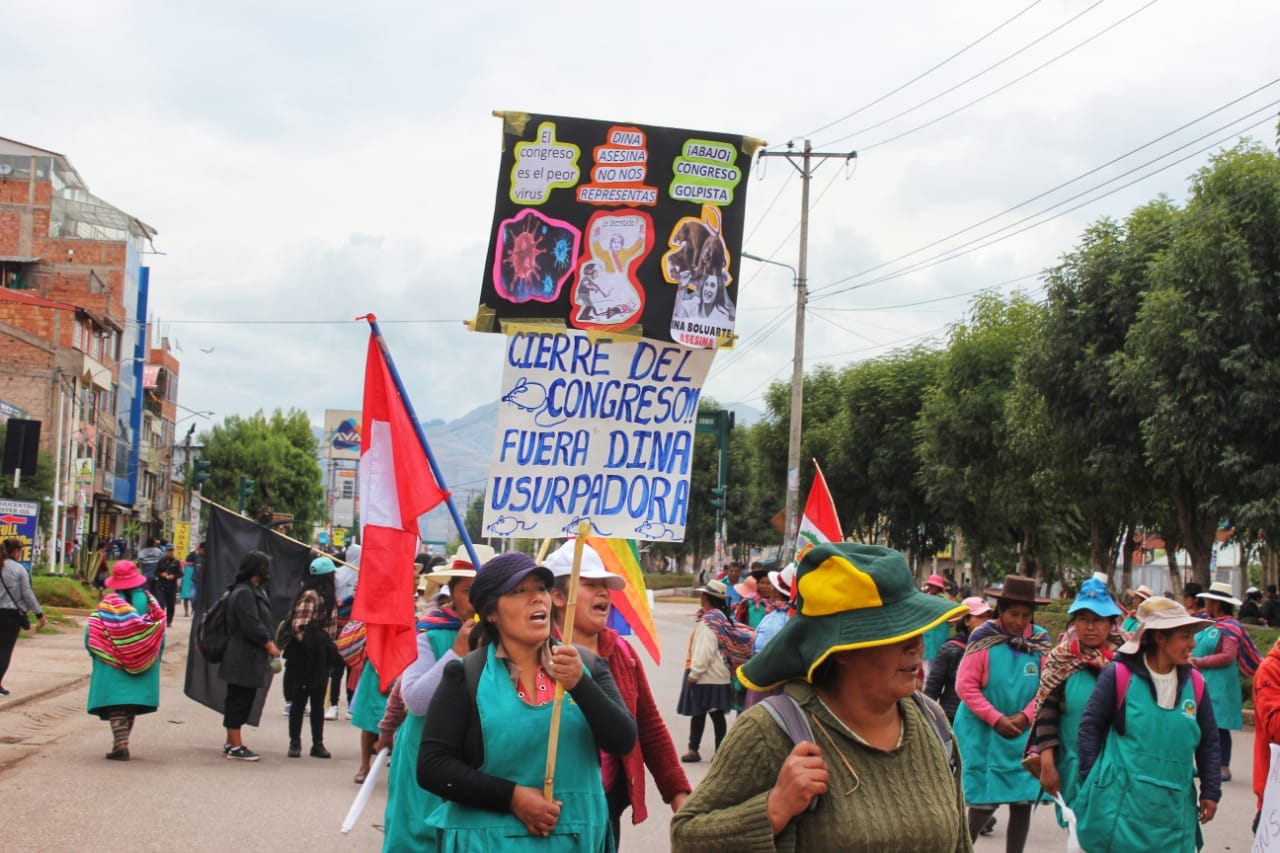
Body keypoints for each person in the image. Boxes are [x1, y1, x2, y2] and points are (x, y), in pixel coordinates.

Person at [671, 543, 970, 851]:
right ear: (840, 648)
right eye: (896, 635)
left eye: (917, 632)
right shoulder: (770, 732)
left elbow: (960, 842)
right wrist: (773, 810)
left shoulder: (932, 723)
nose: (916, 647)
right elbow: (687, 836)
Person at [418, 551, 637, 850]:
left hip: (577, 840)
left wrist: (580, 684)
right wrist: (513, 797)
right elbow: (433, 767)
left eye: (541, 589)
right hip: (487, 842)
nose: (537, 599)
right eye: (520, 591)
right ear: (492, 612)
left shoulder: (587, 667)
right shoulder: (465, 676)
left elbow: (622, 740)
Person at [545, 539, 691, 846]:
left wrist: (679, 795)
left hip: (606, 807)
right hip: (550, 808)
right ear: (557, 596)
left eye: (605, 585)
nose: (602, 593)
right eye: (589, 583)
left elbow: (648, 728)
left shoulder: (623, 653)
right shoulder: (535, 652)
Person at [1074, 597, 1220, 851]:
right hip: (1120, 807)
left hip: (1174, 810)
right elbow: (1090, 729)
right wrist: (1093, 784)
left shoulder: (1195, 685)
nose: (1192, 644)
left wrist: (1210, 790)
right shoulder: (1118, 676)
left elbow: (1208, 741)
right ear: (1160, 638)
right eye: (1185, 636)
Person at [377, 550, 483, 852]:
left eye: (483, 591)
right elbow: (415, 699)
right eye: (467, 591)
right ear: (451, 592)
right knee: (417, 835)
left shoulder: (504, 636)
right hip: (424, 748)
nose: (476, 600)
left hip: (472, 755)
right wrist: (457, 653)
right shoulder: (431, 632)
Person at [952, 574, 1051, 852]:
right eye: (1013, 614)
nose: (1019, 622)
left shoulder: (1040, 640)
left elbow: (1047, 686)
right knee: (983, 803)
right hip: (983, 731)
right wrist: (996, 718)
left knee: (1022, 801)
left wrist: (1025, 716)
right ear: (1001, 611)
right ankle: (961, 847)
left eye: (1025, 615)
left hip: (1022, 732)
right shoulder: (984, 638)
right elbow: (965, 685)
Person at [1026, 578, 1122, 829]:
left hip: (1117, 763)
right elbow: (1045, 714)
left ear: (1112, 623)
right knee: (1077, 829)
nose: (1090, 627)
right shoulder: (1061, 659)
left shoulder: (1126, 662)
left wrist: (1107, 674)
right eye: (1083, 619)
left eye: (1098, 620)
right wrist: (1047, 763)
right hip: (1071, 760)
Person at [85, 560, 166, 759]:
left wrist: (96, 651)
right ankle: (121, 743)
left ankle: (120, 744)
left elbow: (92, 632)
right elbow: (159, 630)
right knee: (129, 704)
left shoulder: (108, 603)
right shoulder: (149, 601)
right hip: (143, 660)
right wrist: (154, 655)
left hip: (112, 662)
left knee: (116, 704)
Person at [676, 579, 750, 763]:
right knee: (715, 716)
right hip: (720, 676)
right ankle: (716, 751)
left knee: (700, 714)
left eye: (703, 595)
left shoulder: (709, 622)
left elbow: (704, 651)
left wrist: (694, 674)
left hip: (707, 677)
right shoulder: (720, 619)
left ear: (708, 598)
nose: (701, 598)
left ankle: (696, 749)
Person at [218, 550, 281, 761]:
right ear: (259, 570)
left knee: (241, 698)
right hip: (242, 655)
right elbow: (251, 623)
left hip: (247, 656)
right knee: (238, 700)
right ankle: (236, 746)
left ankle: (231, 742)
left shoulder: (251, 590)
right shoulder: (244, 592)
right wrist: (268, 643)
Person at [283, 555, 339, 759]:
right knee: (299, 701)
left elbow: (331, 631)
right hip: (305, 657)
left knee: (318, 701)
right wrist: (317, 642)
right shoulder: (310, 596)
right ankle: (295, 742)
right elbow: (299, 626)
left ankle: (318, 743)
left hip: (321, 656)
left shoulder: (329, 598)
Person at [1192, 581, 1248, 782]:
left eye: (1209, 601)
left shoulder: (1229, 628)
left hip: (1222, 683)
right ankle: (1205, 765)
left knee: (1219, 726)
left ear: (1217, 604)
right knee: (1203, 725)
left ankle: (1223, 767)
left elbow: (1227, 656)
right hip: (1205, 680)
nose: (1206, 603)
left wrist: (1200, 661)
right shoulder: (1206, 623)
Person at [924, 595, 992, 722]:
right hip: (953, 718)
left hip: (983, 719)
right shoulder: (951, 650)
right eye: (980, 616)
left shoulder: (993, 649)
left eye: (988, 616)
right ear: (966, 621)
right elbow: (932, 690)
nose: (986, 621)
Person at [0, 538, 46, 696]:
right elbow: (27, 593)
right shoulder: (19, 570)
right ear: (15, 552)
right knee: (4, 650)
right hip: (11, 615)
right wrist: (39, 613)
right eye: (20, 551)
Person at [922, 573, 954, 676]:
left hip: (938, 632)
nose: (930, 588)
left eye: (932, 586)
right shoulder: (935, 597)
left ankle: (931, 679)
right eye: (929, 585)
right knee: (932, 659)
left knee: (935, 659)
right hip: (933, 632)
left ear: (937, 587)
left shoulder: (941, 598)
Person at [153, 543, 183, 626]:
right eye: (169, 550)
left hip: (172, 586)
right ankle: (161, 620)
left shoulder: (176, 562)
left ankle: (169, 621)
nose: (170, 552)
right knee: (161, 603)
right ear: (166, 551)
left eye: (171, 550)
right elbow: (156, 572)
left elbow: (180, 573)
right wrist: (161, 574)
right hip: (162, 585)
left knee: (171, 605)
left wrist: (174, 576)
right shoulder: (161, 561)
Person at [182, 541, 204, 618]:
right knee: (192, 596)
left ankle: (197, 611)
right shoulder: (196, 556)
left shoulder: (209, 557)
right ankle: (194, 609)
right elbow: (188, 559)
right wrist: (195, 550)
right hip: (194, 581)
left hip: (203, 583)